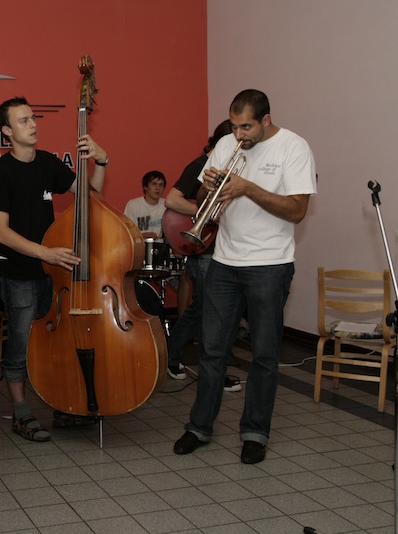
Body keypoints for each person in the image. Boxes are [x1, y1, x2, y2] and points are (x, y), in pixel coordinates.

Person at [173, 89, 316, 464]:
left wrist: (248, 187)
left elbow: (297, 210)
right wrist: (209, 185)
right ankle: (199, 427)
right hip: (224, 261)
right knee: (212, 350)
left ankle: (255, 432)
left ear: (266, 120)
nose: (238, 135)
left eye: (246, 127)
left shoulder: (293, 148)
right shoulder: (226, 144)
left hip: (270, 264)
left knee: (264, 354)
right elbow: (202, 197)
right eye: (235, 126)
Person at [0, 97, 108, 441]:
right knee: (21, 344)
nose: (33, 124)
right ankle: (21, 413)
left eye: (33, 118)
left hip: (53, 275)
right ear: (7, 131)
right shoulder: (1, 171)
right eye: (23, 121)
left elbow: (90, 193)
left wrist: (102, 159)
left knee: (54, 342)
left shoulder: (48, 163)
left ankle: (61, 405)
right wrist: (45, 253)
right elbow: (0, 232)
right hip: (20, 274)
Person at [163, 119, 242, 395]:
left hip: (217, 249)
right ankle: (214, 374)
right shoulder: (201, 165)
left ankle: (169, 355)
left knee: (200, 311)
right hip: (206, 251)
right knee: (215, 314)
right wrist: (206, 214)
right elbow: (172, 200)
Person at [123, 170, 166, 238]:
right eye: (154, 184)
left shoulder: (166, 205)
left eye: (161, 185)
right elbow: (126, 232)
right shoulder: (133, 205)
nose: (158, 188)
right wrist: (142, 236)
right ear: (145, 187)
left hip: (160, 243)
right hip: (139, 242)